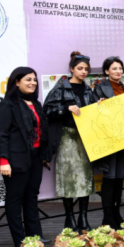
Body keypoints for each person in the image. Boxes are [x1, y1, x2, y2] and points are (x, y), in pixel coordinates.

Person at [0, 67, 51, 247]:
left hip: (35, 158)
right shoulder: (6, 105)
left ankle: (35, 236)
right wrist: (4, 160)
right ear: (16, 82)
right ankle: (20, 241)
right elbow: (1, 135)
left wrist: (43, 155)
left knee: (31, 197)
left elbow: (41, 132)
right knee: (14, 200)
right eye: (28, 79)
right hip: (14, 160)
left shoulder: (36, 104)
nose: (33, 83)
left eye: (34, 80)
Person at [42, 52, 97, 234]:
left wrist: (101, 104)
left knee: (85, 178)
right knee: (67, 178)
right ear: (71, 69)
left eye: (86, 69)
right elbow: (47, 111)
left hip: (85, 138)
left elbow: (95, 113)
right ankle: (69, 217)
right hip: (67, 137)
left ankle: (83, 216)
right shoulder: (61, 88)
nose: (83, 72)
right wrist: (66, 108)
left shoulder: (89, 89)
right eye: (80, 68)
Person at [93, 56, 124, 229]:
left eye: (120, 68)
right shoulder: (99, 88)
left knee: (119, 177)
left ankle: (116, 214)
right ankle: (107, 217)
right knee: (109, 177)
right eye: (114, 68)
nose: (118, 71)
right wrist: (98, 105)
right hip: (109, 139)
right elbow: (93, 112)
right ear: (106, 71)